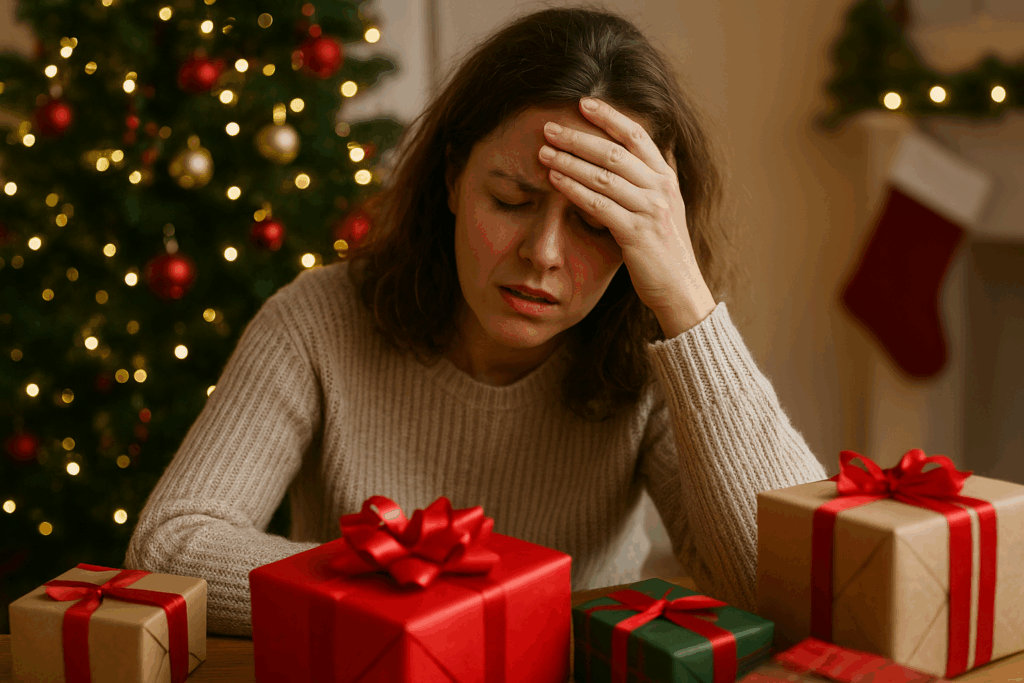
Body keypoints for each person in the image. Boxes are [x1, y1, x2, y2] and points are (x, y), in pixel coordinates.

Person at [125, 3, 827, 637]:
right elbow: (171, 544)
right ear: (455, 175)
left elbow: (797, 585)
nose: (543, 254)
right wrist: (421, 594)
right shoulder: (318, 319)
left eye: (594, 223)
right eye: (512, 199)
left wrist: (686, 305)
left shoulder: (653, 345)